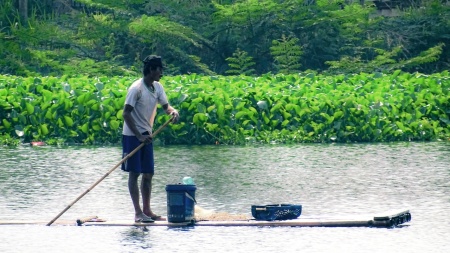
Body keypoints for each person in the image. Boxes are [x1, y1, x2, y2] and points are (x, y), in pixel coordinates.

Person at [121, 55, 179, 223]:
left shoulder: (158, 87)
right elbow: (126, 113)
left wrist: (173, 112)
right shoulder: (136, 88)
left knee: (148, 173)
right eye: (159, 70)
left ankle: (147, 210)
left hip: (147, 135)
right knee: (135, 173)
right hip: (132, 136)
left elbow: (166, 107)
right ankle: (138, 213)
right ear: (152, 70)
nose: (161, 73)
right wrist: (138, 136)